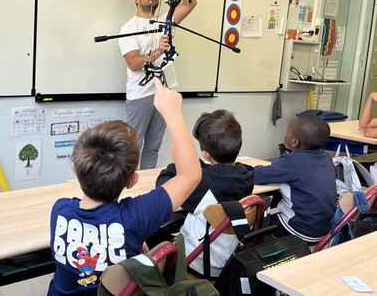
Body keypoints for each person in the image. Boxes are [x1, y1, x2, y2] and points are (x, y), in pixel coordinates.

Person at [47, 79, 201, 296]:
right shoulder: (134, 218)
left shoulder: (59, 210)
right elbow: (190, 175)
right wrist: (173, 114)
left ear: (74, 168)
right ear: (132, 180)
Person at [156, 109, 253, 278]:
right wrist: (193, 161)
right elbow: (217, 173)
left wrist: (177, 162)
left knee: (154, 238)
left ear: (206, 154)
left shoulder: (200, 184)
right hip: (230, 261)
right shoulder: (247, 174)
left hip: (198, 264)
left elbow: (163, 189)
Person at [119, 0, 197, 170]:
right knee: (132, 148)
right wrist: (157, 52)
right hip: (140, 95)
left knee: (153, 148)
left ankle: (147, 189)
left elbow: (190, 3)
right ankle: (129, 189)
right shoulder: (129, 27)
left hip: (163, 94)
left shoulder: (164, 21)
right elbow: (133, 63)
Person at [254, 115, 336, 245]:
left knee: (257, 219)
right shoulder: (326, 157)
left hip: (301, 230)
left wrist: (257, 168)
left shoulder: (291, 161)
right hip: (326, 229)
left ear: (295, 142)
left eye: (287, 130)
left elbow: (257, 176)